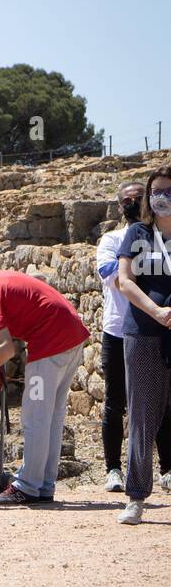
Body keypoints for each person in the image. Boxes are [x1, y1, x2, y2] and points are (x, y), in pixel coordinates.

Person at [0, 271, 89, 505]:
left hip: (50, 342)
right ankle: (43, 485)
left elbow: (6, 349)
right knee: (52, 417)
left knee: (35, 415)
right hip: (70, 333)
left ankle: (27, 487)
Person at [96, 181, 171, 494]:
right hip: (119, 329)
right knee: (117, 403)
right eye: (127, 200)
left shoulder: (155, 236)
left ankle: (166, 468)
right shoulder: (113, 239)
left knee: (163, 404)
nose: (134, 203)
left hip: (157, 329)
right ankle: (114, 469)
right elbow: (115, 277)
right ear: (119, 206)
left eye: (138, 197)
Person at [115, 164, 171, 525]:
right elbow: (124, 280)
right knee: (142, 416)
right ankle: (136, 497)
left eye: (168, 191)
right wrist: (157, 311)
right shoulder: (138, 233)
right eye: (156, 191)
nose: (161, 198)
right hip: (144, 333)